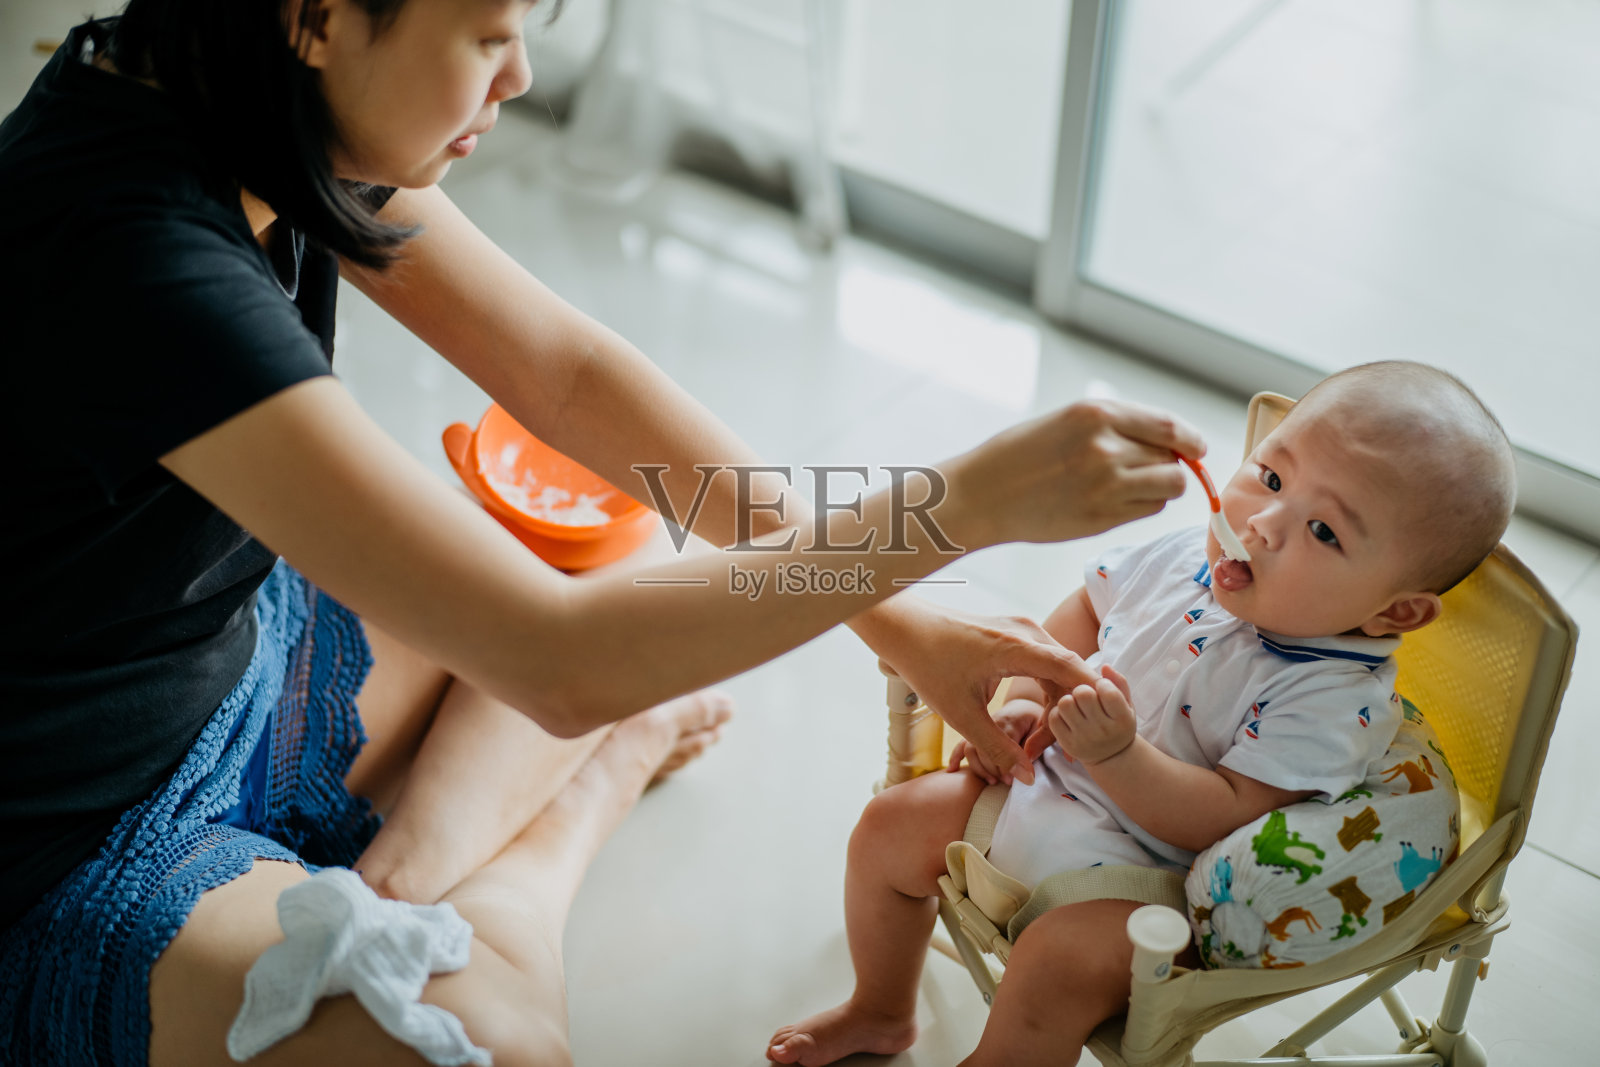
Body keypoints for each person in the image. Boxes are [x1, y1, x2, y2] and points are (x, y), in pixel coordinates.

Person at [0, 2, 1207, 1065]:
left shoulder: (245, 100)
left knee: (637, 562)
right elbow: (560, 664)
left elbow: (569, 379)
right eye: (486, 36)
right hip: (66, 831)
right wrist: (959, 506)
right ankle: (546, 837)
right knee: (498, 1041)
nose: (518, 76)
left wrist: (899, 621)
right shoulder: (136, 260)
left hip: (220, 660)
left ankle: (397, 882)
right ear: (314, 18)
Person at [766, 360, 1517, 1067]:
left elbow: (1227, 813)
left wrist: (1117, 755)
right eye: (1272, 474)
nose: (1263, 522)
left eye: (1324, 531)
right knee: (887, 827)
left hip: (1142, 879)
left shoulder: (1332, 697)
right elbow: (1086, 612)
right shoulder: (1189, 555)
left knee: (1056, 968)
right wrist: (1026, 697)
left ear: (1395, 612)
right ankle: (881, 1004)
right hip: (1041, 786)